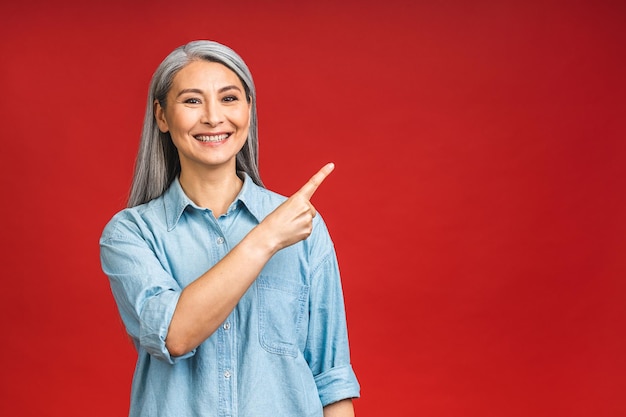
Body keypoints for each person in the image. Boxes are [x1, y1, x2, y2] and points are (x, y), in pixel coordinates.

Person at [99, 40, 360, 417]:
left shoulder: (304, 229)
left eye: (229, 99)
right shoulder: (131, 234)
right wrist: (266, 239)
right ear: (161, 116)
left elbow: (331, 378)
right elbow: (175, 334)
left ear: (248, 110)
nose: (212, 118)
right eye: (191, 101)